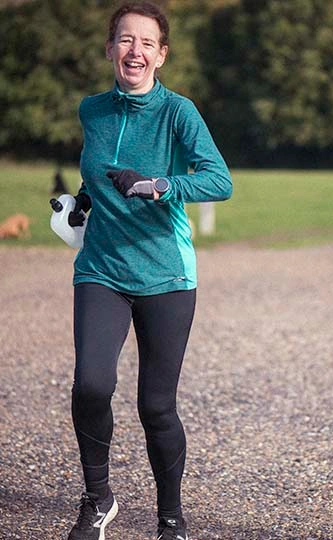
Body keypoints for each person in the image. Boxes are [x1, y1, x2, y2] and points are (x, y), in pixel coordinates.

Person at [62, 3, 232, 540]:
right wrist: (81, 204)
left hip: (166, 275)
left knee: (155, 406)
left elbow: (218, 181)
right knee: (91, 384)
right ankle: (98, 499)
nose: (134, 51)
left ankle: (171, 518)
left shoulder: (178, 112)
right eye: (124, 40)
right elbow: (99, 171)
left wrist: (158, 184)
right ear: (110, 48)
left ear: (161, 54)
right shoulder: (92, 109)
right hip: (101, 269)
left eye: (146, 43)